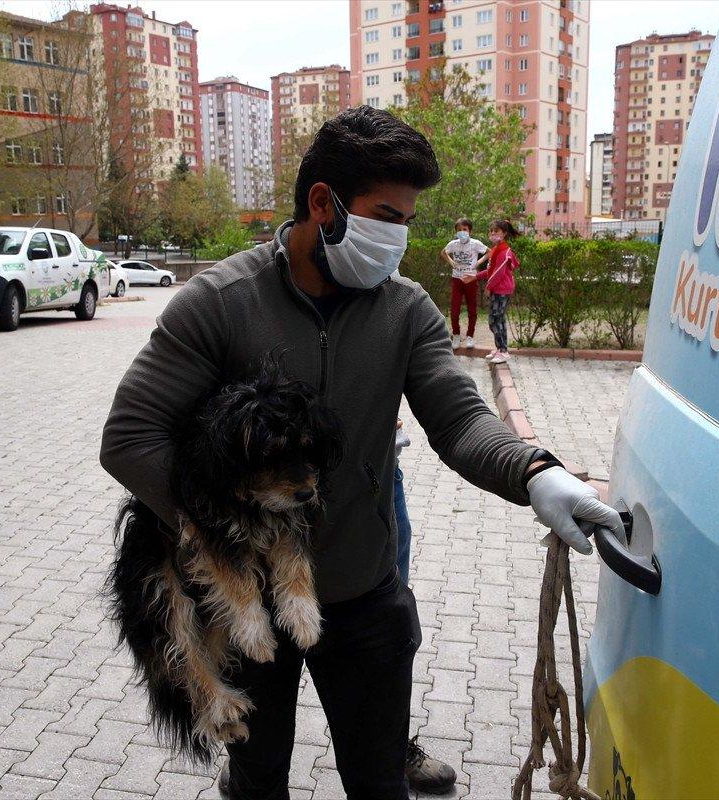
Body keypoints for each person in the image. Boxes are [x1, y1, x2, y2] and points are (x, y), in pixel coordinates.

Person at [100, 106, 622, 800]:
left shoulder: (405, 310)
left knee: (379, 783)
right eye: (387, 216)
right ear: (324, 204)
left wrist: (534, 472)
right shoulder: (220, 303)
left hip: (362, 590)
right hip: (245, 602)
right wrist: (224, 532)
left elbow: (459, 417)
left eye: (407, 220)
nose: (399, 239)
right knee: (256, 782)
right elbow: (130, 436)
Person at [441, 217, 489, 350]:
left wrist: (478, 263)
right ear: (456, 232)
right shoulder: (453, 244)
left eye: (465, 229)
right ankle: (456, 335)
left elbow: (489, 252)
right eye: (459, 230)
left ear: (470, 231)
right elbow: (444, 253)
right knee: (455, 310)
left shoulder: (475, 243)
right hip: (457, 279)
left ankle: (470, 336)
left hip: (471, 279)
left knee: (472, 309)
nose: (462, 232)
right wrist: (451, 262)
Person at [479, 220, 520, 364]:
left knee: (495, 320)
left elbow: (499, 272)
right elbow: (491, 270)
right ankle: (500, 349)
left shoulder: (503, 251)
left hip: (501, 290)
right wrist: (475, 276)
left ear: (504, 233)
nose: (492, 233)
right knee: (498, 320)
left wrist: (488, 287)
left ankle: (503, 351)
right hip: (499, 289)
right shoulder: (497, 249)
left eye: (496, 231)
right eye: (491, 231)